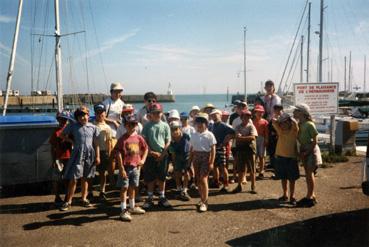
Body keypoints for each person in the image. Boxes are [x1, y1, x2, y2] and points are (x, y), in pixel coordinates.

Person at [59, 106, 100, 211]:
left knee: (85, 177)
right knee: (74, 178)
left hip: (90, 154)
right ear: (77, 117)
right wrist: (71, 141)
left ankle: (84, 198)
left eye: (85, 115)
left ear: (88, 116)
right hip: (77, 154)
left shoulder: (93, 127)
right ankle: (68, 201)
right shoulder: (73, 126)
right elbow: (62, 135)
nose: (83, 117)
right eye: (81, 116)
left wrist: (98, 156)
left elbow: (96, 143)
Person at [115, 114, 148, 221]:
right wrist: (121, 168)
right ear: (125, 125)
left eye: (134, 124)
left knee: (133, 187)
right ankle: (123, 210)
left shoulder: (139, 138)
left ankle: (132, 206)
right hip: (125, 167)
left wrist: (142, 160)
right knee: (124, 188)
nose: (132, 127)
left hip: (136, 167)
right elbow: (118, 153)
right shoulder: (122, 139)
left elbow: (146, 148)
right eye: (129, 125)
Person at [141, 103, 172, 209]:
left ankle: (162, 197)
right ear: (150, 114)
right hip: (150, 155)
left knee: (162, 177)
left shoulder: (165, 125)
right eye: (154, 113)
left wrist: (163, 153)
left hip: (163, 155)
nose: (156, 115)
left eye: (158, 112)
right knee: (150, 178)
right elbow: (144, 141)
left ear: (161, 113)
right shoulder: (147, 126)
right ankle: (150, 198)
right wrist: (151, 152)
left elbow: (168, 141)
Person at [293, 103, 322, 207]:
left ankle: (309, 197)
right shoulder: (299, 124)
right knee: (308, 174)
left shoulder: (309, 124)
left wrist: (307, 152)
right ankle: (311, 195)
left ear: (302, 113)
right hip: (305, 150)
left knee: (309, 174)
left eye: (296, 110)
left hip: (311, 150)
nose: (294, 112)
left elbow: (315, 141)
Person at [189, 113, 216, 212]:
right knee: (198, 180)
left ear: (206, 124)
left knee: (203, 178)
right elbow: (191, 149)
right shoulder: (194, 135)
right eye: (198, 122)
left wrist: (212, 162)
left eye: (202, 122)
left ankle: (205, 201)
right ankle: (202, 198)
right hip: (196, 158)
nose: (200, 124)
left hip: (206, 157)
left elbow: (213, 149)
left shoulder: (209, 135)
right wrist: (189, 161)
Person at [272, 113, 299, 206]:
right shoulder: (280, 131)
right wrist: (279, 119)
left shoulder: (294, 131)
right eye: (282, 123)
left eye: (285, 123)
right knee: (283, 178)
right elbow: (273, 121)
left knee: (292, 179)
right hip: (280, 157)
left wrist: (290, 118)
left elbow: (295, 124)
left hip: (291, 158)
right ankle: (285, 194)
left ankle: (292, 196)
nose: (283, 125)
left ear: (289, 123)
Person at [102, 82, 125, 186]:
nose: (118, 94)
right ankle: (111, 180)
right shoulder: (106, 103)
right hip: (110, 133)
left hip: (120, 133)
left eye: (119, 92)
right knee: (111, 157)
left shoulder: (121, 103)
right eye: (116, 91)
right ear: (111, 92)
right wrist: (113, 122)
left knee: (120, 156)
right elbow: (102, 117)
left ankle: (120, 179)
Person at [49, 110, 73, 206]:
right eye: (61, 120)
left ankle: (68, 197)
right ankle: (57, 197)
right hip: (59, 158)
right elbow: (52, 147)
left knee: (69, 178)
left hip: (70, 157)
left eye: (65, 120)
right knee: (58, 179)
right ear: (58, 120)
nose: (63, 122)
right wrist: (54, 159)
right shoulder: (56, 132)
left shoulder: (71, 131)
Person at [209, 109, 235, 192]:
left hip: (220, 148)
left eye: (215, 114)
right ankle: (216, 181)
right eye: (212, 115)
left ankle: (226, 184)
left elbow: (234, 133)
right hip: (214, 148)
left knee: (223, 167)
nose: (213, 116)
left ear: (220, 115)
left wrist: (225, 141)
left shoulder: (223, 125)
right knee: (215, 166)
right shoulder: (212, 125)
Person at [233, 109, 258, 194]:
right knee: (240, 169)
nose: (246, 118)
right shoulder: (238, 127)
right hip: (241, 150)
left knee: (252, 169)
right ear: (241, 117)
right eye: (244, 116)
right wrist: (246, 137)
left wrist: (242, 138)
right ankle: (239, 186)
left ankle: (253, 187)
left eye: (248, 116)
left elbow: (253, 137)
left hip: (250, 150)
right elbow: (237, 138)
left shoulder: (251, 126)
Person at [93, 103, 113, 202]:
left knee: (102, 173)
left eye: (102, 112)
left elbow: (109, 142)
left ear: (105, 114)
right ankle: (89, 192)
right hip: (91, 152)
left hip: (103, 151)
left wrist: (109, 154)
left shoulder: (107, 127)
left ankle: (102, 191)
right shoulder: (91, 124)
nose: (100, 115)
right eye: (97, 113)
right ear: (95, 113)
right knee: (89, 173)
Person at [169, 121, 191, 201]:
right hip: (177, 157)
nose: (174, 131)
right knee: (177, 172)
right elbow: (172, 153)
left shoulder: (186, 136)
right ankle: (179, 189)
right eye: (172, 129)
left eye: (176, 129)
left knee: (186, 173)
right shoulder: (170, 140)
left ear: (180, 129)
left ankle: (185, 190)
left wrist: (191, 158)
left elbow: (191, 147)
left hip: (187, 156)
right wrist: (174, 162)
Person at [252, 105, 269, 178]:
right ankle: (254, 170)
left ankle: (261, 170)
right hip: (254, 139)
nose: (259, 113)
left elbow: (266, 132)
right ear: (255, 113)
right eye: (258, 112)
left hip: (262, 139)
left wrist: (266, 139)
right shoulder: (252, 121)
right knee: (254, 156)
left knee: (262, 156)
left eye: (261, 112)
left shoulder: (265, 121)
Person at [267, 104, 284, 173]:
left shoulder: (284, 118)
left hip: (281, 139)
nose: (277, 111)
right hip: (273, 140)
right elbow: (269, 128)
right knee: (274, 155)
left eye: (278, 109)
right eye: (275, 109)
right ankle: (276, 170)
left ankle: (279, 171)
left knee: (280, 156)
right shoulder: (273, 118)